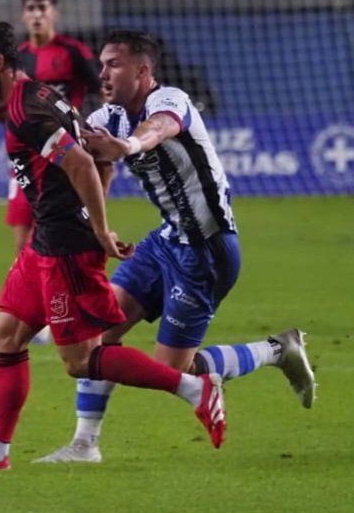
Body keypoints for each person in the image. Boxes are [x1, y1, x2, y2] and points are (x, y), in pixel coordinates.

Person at [0, 21, 228, 471]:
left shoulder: (28, 111)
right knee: (6, 337)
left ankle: (194, 388)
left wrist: (99, 230)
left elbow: (81, 165)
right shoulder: (37, 95)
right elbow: (97, 157)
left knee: (81, 360)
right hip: (44, 241)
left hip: (66, 248)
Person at [33, 29, 316, 464]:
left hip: (207, 251)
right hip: (164, 241)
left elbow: (157, 130)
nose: (102, 73)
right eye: (102, 64)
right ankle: (84, 445)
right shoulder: (108, 117)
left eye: (114, 65)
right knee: (96, 338)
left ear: (143, 71)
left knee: (170, 370)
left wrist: (126, 146)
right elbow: (83, 155)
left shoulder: (170, 101)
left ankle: (278, 350)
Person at [0, 0, 101, 255]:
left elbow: (103, 91)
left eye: (43, 8)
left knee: (63, 236)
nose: (37, 15)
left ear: (55, 14)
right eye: (31, 9)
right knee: (22, 239)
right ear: (23, 15)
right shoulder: (16, 58)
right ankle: (34, 283)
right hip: (26, 155)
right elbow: (6, 109)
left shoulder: (74, 52)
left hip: (64, 152)